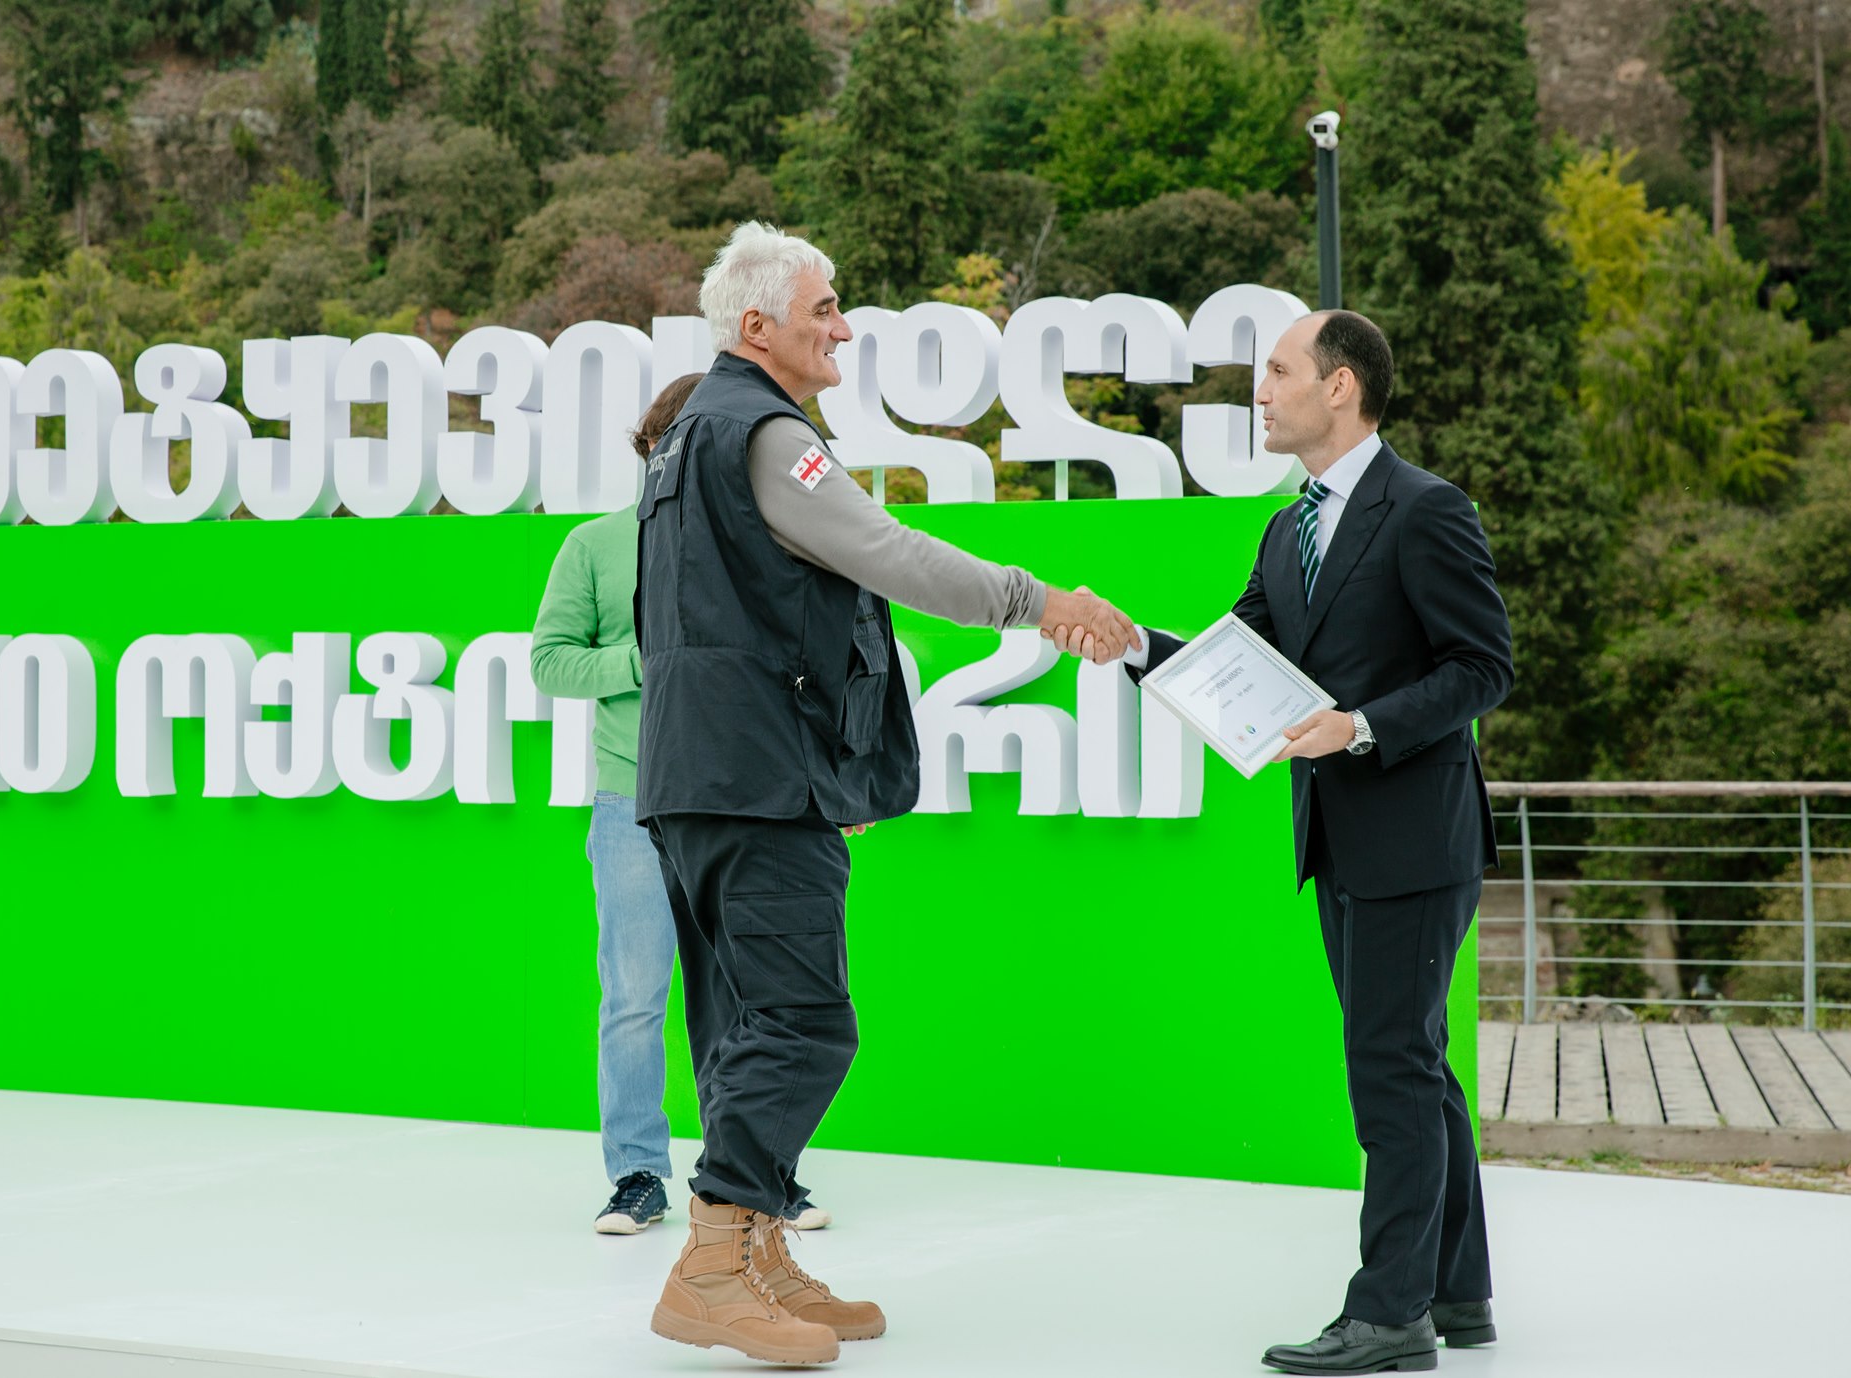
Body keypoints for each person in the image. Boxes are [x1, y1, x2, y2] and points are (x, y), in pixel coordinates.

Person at [633, 221, 1138, 1367]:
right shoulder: (764, 434)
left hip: (703, 778)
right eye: (823, 308)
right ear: (754, 326)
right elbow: (889, 554)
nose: (844, 327)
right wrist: (1041, 603)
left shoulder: (686, 443)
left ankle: (756, 1253)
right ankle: (712, 1263)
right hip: (755, 783)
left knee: (746, 1024)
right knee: (802, 1024)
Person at [1051, 310, 1512, 1377]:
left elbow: (1482, 666)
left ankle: (1389, 1314)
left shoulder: (1425, 509)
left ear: (1340, 386)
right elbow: (1234, 662)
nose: (1258, 390)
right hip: (1338, 841)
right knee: (1415, 1064)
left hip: (1413, 837)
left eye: (1277, 370)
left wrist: (1361, 725)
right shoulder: (1284, 529)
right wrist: (1132, 644)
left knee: (1391, 1070)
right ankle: (1457, 1291)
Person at [530, 373, 833, 1237]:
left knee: (746, 998)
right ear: (659, 449)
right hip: (632, 799)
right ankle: (636, 1175)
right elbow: (550, 661)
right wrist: (650, 659)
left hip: (738, 798)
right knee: (634, 996)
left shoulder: (763, 541)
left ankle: (751, 1177)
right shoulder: (595, 544)